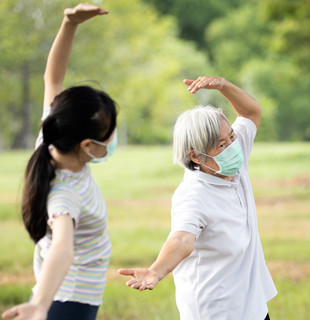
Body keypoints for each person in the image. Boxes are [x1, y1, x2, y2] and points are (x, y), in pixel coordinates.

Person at [118, 76, 277, 320]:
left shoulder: (232, 161)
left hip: (252, 306)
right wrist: (155, 272)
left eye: (232, 137)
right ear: (196, 156)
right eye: (221, 145)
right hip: (216, 310)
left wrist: (223, 86)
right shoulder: (194, 195)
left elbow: (252, 112)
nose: (233, 147)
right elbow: (181, 239)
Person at [1, 4, 117, 320]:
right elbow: (62, 248)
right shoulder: (64, 195)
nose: (112, 141)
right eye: (109, 135)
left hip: (64, 296)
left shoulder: (50, 137)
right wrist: (40, 303)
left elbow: (53, 77)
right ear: (87, 145)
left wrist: (69, 23)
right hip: (70, 301)